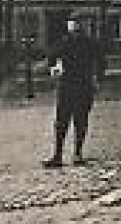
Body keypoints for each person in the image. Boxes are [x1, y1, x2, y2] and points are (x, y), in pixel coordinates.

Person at [43, 16, 101, 167]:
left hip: (83, 86)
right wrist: (54, 67)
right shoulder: (63, 42)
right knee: (61, 122)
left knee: (80, 121)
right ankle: (58, 155)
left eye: (77, 23)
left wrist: (96, 79)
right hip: (66, 86)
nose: (74, 25)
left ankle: (77, 154)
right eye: (72, 23)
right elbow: (51, 57)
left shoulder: (89, 43)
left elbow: (100, 62)